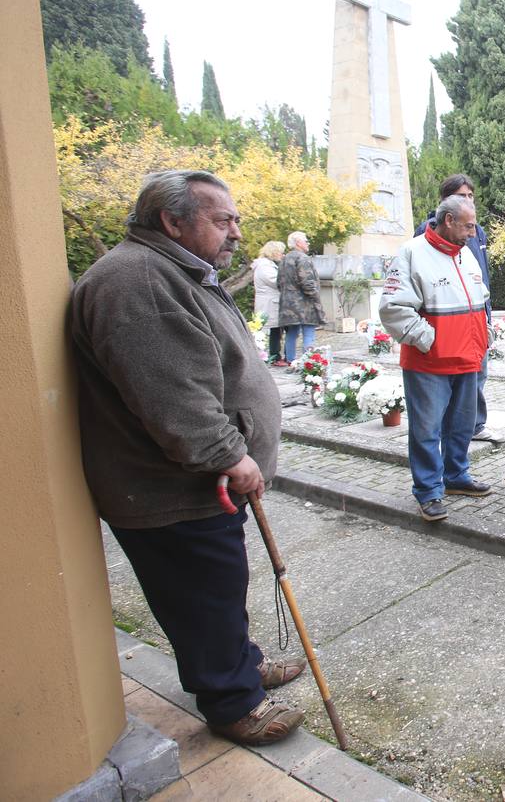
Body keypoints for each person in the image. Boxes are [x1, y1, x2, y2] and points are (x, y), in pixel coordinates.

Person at [70, 170, 305, 745]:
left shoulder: (169, 270)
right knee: (203, 594)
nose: (237, 233)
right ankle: (232, 702)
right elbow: (175, 396)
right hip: (171, 487)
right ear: (172, 222)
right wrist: (233, 455)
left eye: (236, 220)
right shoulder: (140, 282)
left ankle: (239, 663)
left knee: (218, 586)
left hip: (196, 485)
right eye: (222, 220)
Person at [380, 194, 492, 521]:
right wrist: (429, 339)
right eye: (468, 226)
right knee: (427, 429)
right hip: (429, 362)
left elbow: (480, 297)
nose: (474, 233)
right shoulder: (412, 253)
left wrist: (484, 332)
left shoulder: (465, 254)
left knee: (461, 426)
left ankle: (456, 476)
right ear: (448, 221)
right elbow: (392, 308)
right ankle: (428, 491)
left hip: (468, 358)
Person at [416, 175, 500, 444]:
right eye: (462, 196)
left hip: (476, 318)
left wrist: (487, 315)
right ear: (446, 200)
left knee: (479, 373)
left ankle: (474, 424)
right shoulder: (425, 231)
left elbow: (481, 275)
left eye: (471, 196)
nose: (468, 201)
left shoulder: (478, 231)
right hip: (444, 324)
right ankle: (448, 429)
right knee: (447, 384)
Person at [277, 231, 325, 362]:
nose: (308, 243)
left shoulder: (284, 259)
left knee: (291, 333)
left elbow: (279, 283)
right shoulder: (302, 259)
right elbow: (307, 283)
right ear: (298, 242)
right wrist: (316, 299)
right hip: (304, 304)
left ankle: (291, 361)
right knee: (308, 332)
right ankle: (308, 362)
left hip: (287, 304)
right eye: (306, 241)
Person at [251, 240, 286, 365]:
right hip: (269, 302)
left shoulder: (266, 265)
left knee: (274, 330)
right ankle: (272, 356)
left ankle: (273, 356)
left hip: (269, 301)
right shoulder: (265, 266)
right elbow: (277, 281)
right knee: (269, 330)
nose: (282, 255)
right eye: (281, 252)